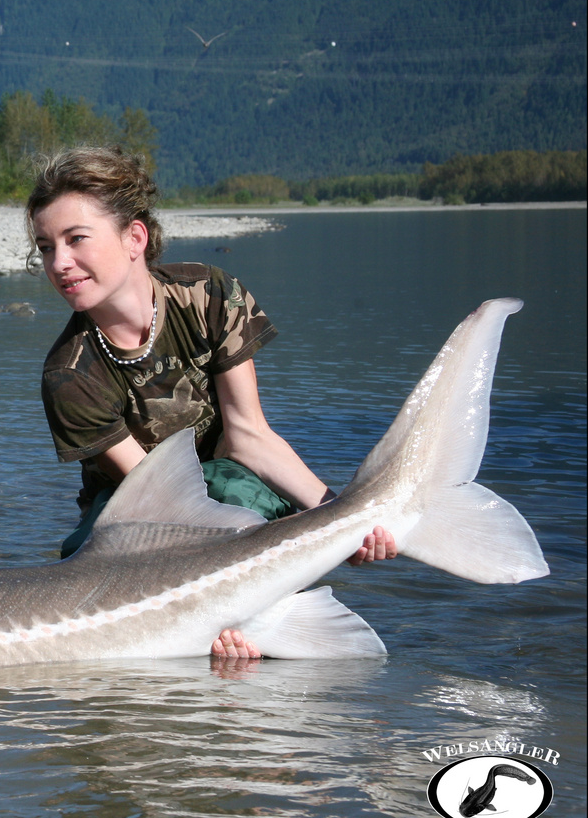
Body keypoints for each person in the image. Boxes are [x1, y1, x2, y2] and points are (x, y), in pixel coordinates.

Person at [27, 146, 396, 661]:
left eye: (76, 240)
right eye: (45, 247)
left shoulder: (210, 295)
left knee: (231, 482)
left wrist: (340, 513)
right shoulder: (68, 374)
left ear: (135, 237)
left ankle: (264, 623)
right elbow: (156, 497)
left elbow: (249, 437)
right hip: (129, 523)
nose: (58, 263)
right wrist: (207, 614)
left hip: (235, 492)